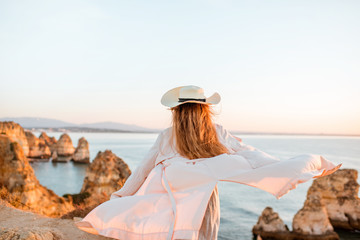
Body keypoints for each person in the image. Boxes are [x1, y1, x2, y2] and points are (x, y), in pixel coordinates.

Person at [76, 85, 341, 240]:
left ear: (176, 111)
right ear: (205, 109)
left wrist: (120, 197)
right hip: (205, 201)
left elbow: (142, 172)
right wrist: (292, 167)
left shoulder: (167, 136)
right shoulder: (217, 132)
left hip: (169, 202)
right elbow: (252, 156)